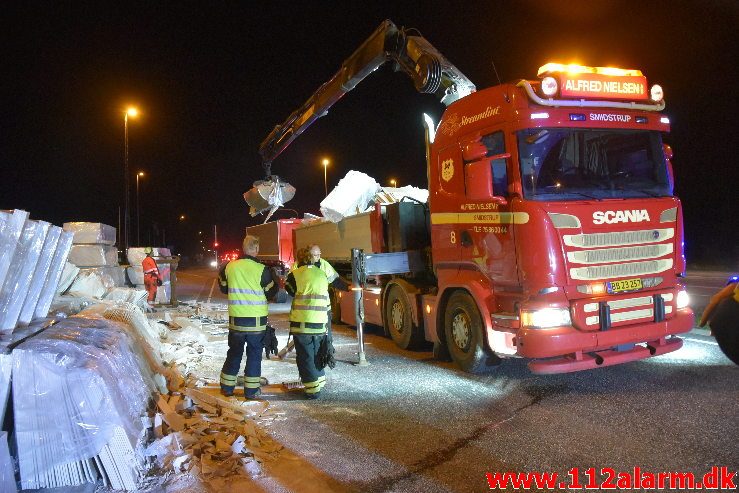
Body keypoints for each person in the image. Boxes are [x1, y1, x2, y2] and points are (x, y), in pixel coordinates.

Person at [218, 235, 278, 398]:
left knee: (234, 353)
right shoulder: (262, 270)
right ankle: (251, 391)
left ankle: (226, 387)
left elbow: (223, 288)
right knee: (254, 355)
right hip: (256, 323)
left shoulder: (229, 267)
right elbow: (272, 292)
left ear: (243, 249)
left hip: (236, 322)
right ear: (256, 249)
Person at [284, 247, 332, 399]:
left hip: (302, 323)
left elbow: (290, 291)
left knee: (305, 357)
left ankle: (312, 390)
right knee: (317, 354)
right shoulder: (323, 274)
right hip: (319, 323)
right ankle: (320, 381)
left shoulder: (295, 275)